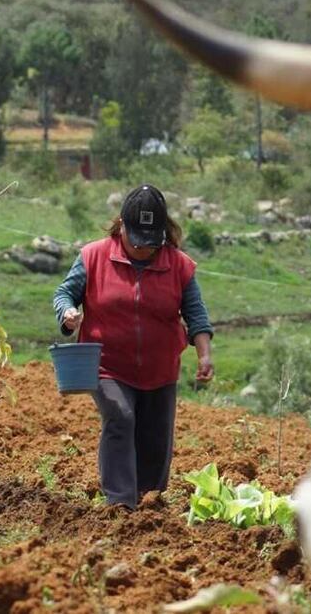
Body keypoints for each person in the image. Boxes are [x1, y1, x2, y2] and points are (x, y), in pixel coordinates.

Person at [52, 185, 213, 509]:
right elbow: (64, 293)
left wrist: (204, 353)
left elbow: (195, 312)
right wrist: (68, 313)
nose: (142, 249)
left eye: (149, 242)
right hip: (107, 364)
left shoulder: (179, 266)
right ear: (121, 226)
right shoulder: (93, 256)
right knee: (121, 417)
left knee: (155, 438)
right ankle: (121, 503)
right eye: (135, 239)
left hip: (160, 367)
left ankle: (148, 501)